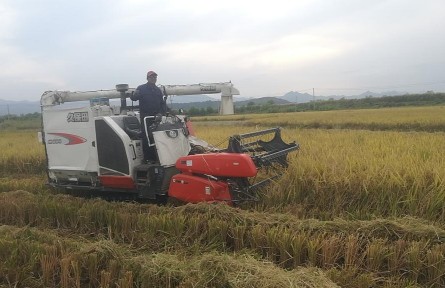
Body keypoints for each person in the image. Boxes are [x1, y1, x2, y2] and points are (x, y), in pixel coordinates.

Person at [130, 70, 167, 161]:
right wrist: (133, 95)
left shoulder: (158, 91)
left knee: (157, 137)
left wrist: (161, 113)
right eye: (151, 77)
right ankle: (148, 159)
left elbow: (162, 104)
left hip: (156, 118)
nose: (153, 78)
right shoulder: (141, 88)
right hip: (146, 118)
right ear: (147, 78)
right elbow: (134, 98)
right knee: (146, 137)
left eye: (155, 77)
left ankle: (157, 157)